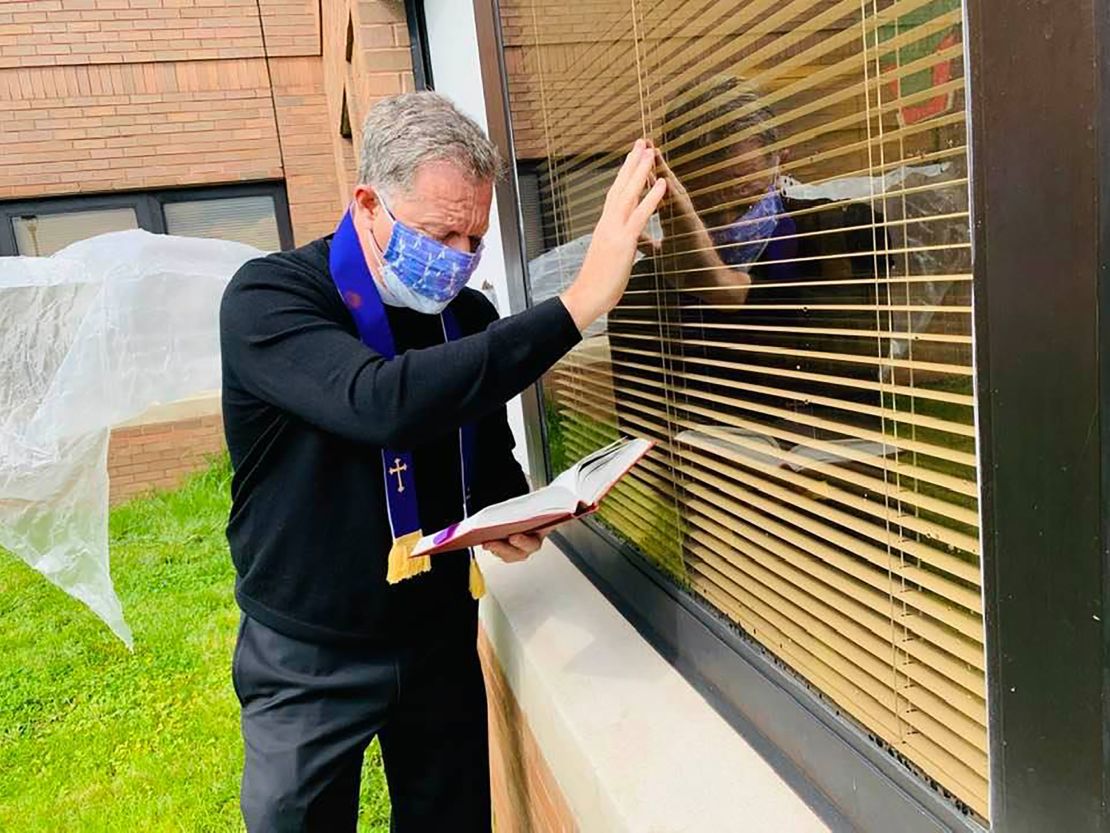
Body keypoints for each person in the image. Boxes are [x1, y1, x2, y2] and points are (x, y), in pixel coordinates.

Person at [219, 92, 665, 832]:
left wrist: (511, 513)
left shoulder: (467, 318)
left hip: (435, 635)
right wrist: (581, 301)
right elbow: (377, 401)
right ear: (367, 203)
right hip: (309, 648)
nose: (458, 258)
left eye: (474, 236)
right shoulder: (272, 298)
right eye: (439, 232)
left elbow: (487, 459)